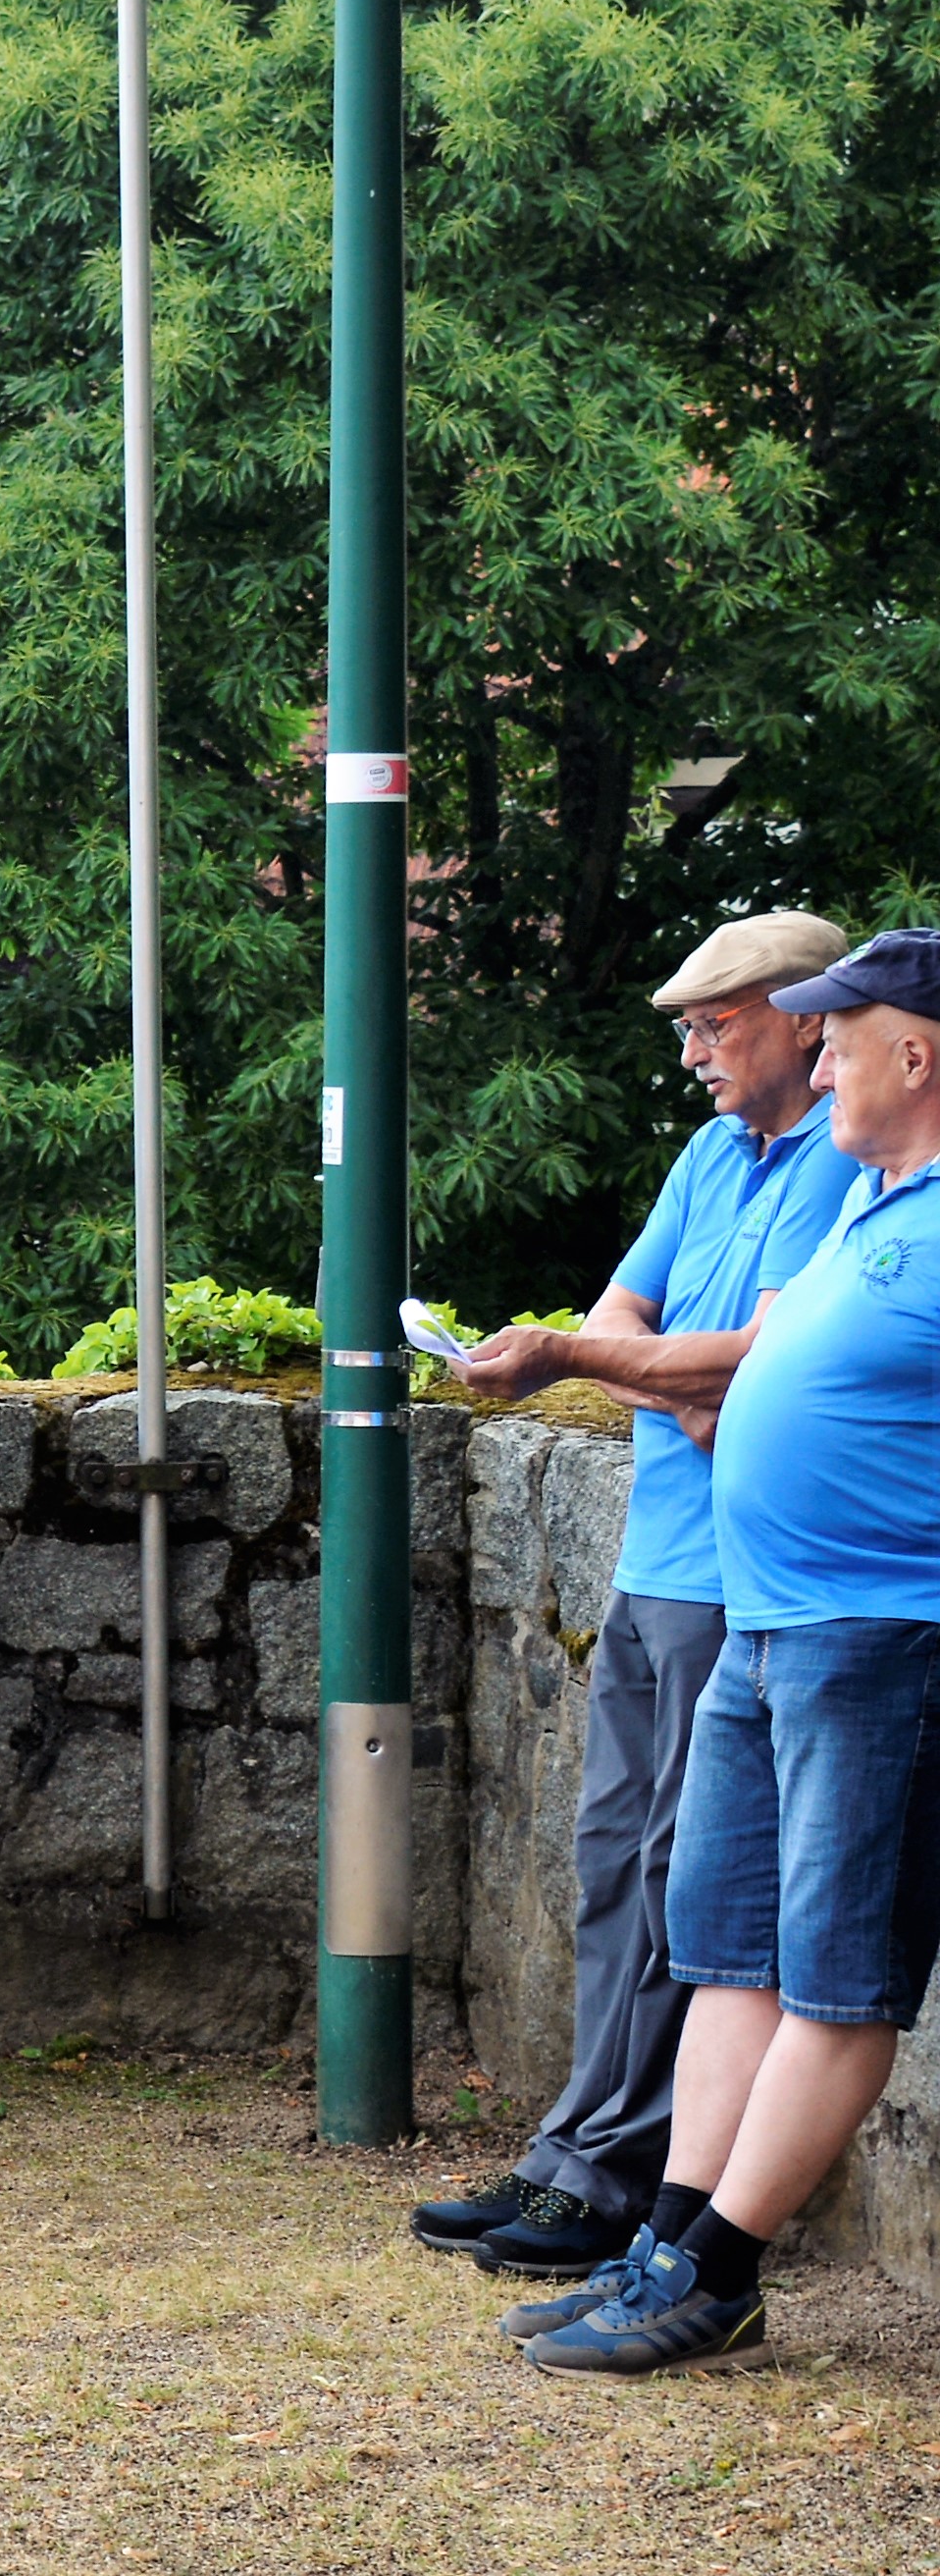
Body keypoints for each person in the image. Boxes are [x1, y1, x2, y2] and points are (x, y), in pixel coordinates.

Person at [518, 927, 940, 2377]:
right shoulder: (873, 1200)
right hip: (767, 1623)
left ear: (915, 1055)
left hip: (882, 1635)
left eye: (840, 1044)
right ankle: (665, 2244)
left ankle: (719, 2273)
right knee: (727, 1954)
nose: (819, 1071)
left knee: (834, 1973)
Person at [418, 913, 855, 2280]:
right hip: (654, 1557)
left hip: (741, 1577)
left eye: (717, 1024)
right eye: (689, 1028)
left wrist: (625, 1363)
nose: (694, 1054)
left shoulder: (841, 1162)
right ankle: (577, 2144)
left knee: (686, 1883)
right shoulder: (710, 1153)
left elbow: (742, 1367)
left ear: (802, 1017)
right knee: (614, 1864)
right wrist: (661, 1373)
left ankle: (627, 2176)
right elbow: (633, 1329)